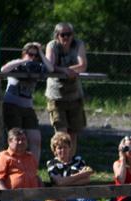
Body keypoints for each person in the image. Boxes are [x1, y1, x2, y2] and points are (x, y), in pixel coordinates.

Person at [1, 42, 52, 161]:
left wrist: (41, 53)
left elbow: (51, 68)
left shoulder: (38, 67)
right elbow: (3, 69)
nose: (33, 58)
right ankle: (14, 167)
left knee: (35, 139)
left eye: (36, 56)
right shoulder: (17, 64)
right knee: (16, 140)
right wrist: (23, 60)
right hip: (12, 106)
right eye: (30, 54)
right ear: (24, 53)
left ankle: (32, 169)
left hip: (28, 108)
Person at [45, 22, 87, 154]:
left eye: (69, 34)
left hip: (74, 95)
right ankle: (60, 160)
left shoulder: (78, 44)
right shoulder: (52, 45)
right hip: (56, 96)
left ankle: (71, 160)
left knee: (73, 133)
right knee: (61, 134)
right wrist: (64, 70)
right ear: (57, 35)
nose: (67, 37)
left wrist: (66, 70)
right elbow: (49, 66)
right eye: (63, 35)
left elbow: (82, 65)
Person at [0, 128, 45, 201]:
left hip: (30, 197)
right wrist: (9, 195)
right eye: (17, 139)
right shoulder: (3, 156)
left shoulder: (30, 157)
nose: (21, 142)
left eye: (23, 139)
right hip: (5, 198)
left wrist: (43, 192)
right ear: (9, 141)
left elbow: (35, 176)